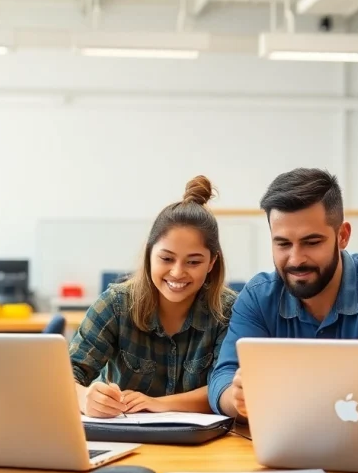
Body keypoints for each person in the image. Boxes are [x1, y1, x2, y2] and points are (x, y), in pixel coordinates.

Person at [208, 168, 358, 419]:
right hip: (281, 447)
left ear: (342, 236)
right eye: (283, 244)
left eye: (312, 242)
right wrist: (237, 399)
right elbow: (222, 379)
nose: (296, 259)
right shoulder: (257, 296)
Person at [70, 176, 237, 418]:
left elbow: (226, 389)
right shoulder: (116, 304)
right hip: (128, 442)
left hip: (204, 448)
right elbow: (63, 375)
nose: (178, 272)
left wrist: (158, 403)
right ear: (150, 254)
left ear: (212, 262)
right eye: (166, 258)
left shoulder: (229, 311)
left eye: (193, 261)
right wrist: (84, 397)